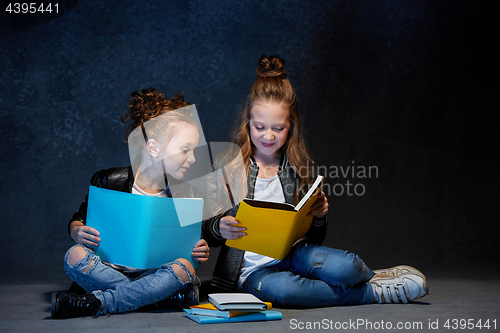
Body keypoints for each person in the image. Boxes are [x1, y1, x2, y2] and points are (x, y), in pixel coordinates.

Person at [202, 55, 428, 307]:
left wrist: (319, 216)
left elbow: (314, 237)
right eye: (259, 127)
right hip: (252, 273)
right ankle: (372, 292)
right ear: (247, 123)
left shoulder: (298, 165)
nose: (268, 136)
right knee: (285, 291)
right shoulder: (227, 165)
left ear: (291, 126)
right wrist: (219, 228)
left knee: (348, 266)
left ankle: (372, 277)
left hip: (295, 255)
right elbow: (205, 234)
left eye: (278, 128)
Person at [52, 88, 210, 319]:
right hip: (110, 269)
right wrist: (77, 231)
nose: (193, 158)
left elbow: (193, 243)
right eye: (185, 150)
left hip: (158, 274)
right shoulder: (109, 180)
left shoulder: (187, 193)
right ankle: (155, 299)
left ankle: (98, 302)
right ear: (154, 148)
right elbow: (80, 218)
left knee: (184, 266)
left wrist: (199, 249)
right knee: (74, 255)